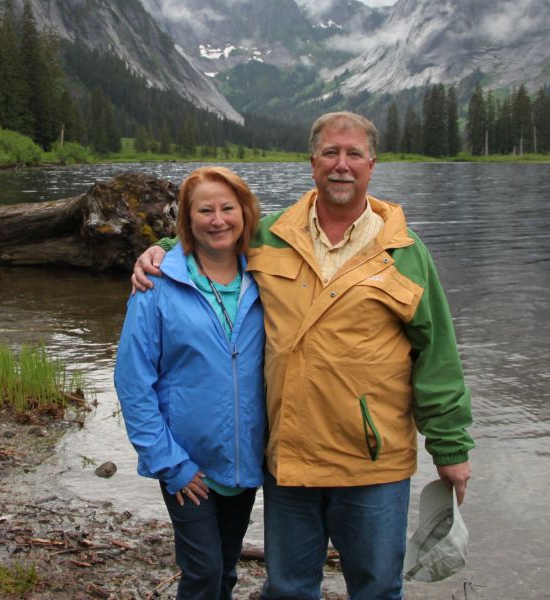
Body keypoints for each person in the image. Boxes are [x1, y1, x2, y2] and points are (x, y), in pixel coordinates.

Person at [131, 112, 474, 600]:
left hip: (372, 465)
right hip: (289, 461)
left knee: (377, 589)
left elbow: (437, 355)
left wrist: (451, 447)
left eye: (354, 154)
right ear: (312, 163)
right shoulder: (272, 236)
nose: (342, 165)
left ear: (372, 165)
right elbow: (211, 238)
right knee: (289, 589)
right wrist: (160, 249)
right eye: (331, 153)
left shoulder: (405, 252)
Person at [114, 166, 266, 599]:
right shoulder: (157, 282)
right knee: (202, 572)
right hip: (186, 463)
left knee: (226, 570)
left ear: (245, 213)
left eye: (227, 208)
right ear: (187, 218)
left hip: (244, 460)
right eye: (205, 210)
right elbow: (132, 380)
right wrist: (170, 463)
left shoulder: (266, 276)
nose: (217, 220)